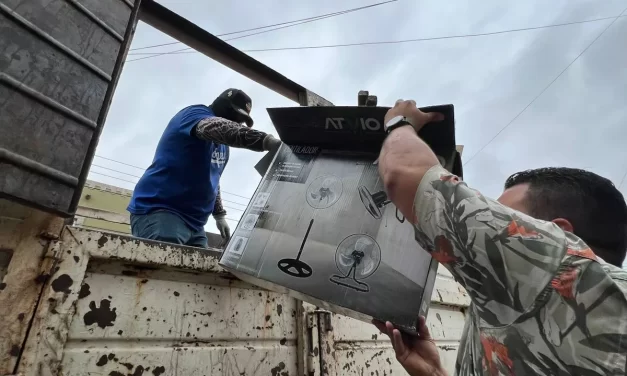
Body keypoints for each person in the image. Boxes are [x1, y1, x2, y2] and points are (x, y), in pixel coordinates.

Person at [375, 99, 627, 376]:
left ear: (556, 236)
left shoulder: (562, 271)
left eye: (506, 219)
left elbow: (402, 174)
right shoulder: (557, 310)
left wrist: (399, 123)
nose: (491, 224)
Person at [127, 89, 281, 248]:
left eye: (242, 120)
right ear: (223, 107)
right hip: (162, 211)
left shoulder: (223, 147)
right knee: (166, 271)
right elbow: (215, 127)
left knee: (198, 271)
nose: (238, 123)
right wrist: (266, 141)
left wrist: (219, 214)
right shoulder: (195, 114)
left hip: (195, 224)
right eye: (236, 116)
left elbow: (212, 179)